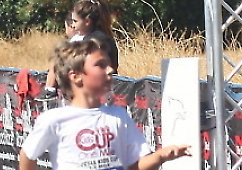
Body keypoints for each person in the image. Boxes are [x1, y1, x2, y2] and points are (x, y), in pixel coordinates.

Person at [20, 38, 191, 170]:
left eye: (108, 65)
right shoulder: (54, 119)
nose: (109, 70)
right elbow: (27, 155)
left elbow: (135, 166)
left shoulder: (118, 116)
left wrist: (161, 156)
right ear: (76, 76)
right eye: (100, 65)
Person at [38, 0, 119, 101]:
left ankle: (50, 90)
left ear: (87, 22)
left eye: (75, 21)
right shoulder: (85, 37)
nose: (73, 25)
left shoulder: (96, 40)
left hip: (101, 87)